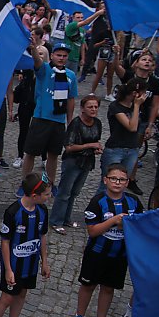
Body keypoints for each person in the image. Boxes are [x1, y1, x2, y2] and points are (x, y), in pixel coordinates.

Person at [69, 164, 142, 317]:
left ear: (127, 182)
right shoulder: (98, 201)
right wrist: (113, 221)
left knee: (108, 288)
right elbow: (93, 231)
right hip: (96, 253)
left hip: (119, 256)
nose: (117, 182)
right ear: (105, 180)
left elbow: (139, 228)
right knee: (88, 286)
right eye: (114, 179)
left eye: (122, 179)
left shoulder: (133, 202)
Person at [0, 173, 51, 317]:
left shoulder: (42, 211)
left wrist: (44, 261)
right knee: (7, 297)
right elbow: (5, 241)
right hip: (14, 265)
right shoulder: (13, 212)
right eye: (46, 194)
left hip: (30, 264)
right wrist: (8, 269)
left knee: (22, 294)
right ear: (34, 196)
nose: (49, 197)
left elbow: (42, 236)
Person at [19, 40, 79, 189]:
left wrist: (69, 120)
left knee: (53, 155)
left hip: (58, 121)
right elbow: (37, 62)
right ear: (52, 55)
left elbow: (71, 99)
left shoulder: (71, 75)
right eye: (58, 55)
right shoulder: (45, 70)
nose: (61, 58)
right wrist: (33, 49)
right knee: (31, 153)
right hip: (41, 118)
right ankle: (25, 183)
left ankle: (50, 183)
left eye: (64, 56)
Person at [113, 49, 159, 195]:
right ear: (137, 63)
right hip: (124, 116)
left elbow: (155, 105)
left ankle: (130, 179)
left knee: (135, 149)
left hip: (142, 120)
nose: (147, 62)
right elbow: (116, 68)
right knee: (119, 145)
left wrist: (151, 124)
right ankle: (114, 174)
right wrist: (117, 55)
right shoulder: (129, 76)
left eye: (150, 61)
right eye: (144, 59)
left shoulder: (155, 82)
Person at [51, 96, 102, 233]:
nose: (93, 109)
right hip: (72, 162)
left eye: (96, 107)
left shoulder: (97, 123)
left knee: (74, 193)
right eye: (90, 107)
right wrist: (89, 145)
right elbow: (68, 147)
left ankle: (66, 219)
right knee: (64, 192)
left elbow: (95, 140)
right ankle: (56, 221)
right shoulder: (76, 123)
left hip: (87, 162)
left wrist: (96, 148)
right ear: (83, 109)